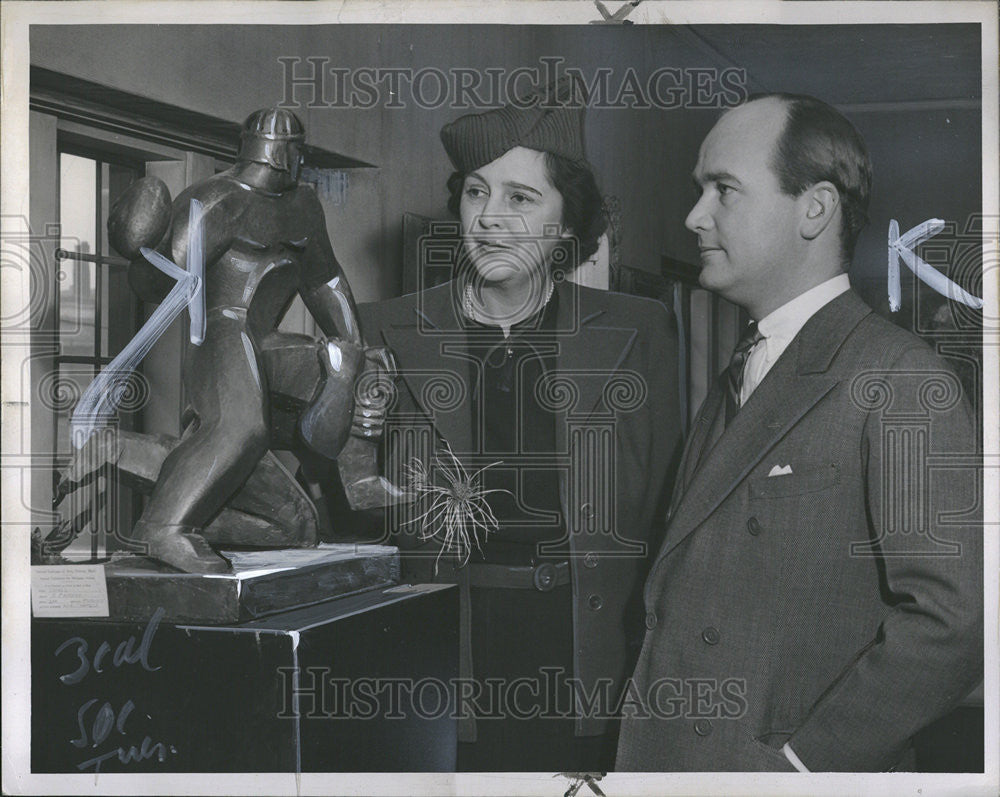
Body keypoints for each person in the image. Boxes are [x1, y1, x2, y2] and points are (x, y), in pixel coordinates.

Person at [615, 93, 983, 771]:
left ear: (814, 208)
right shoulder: (744, 367)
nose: (694, 217)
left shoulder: (899, 377)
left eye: (723, 189)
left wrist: (802, 765)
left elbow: (954, 623)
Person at [357, 76, 682, 770]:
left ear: (568, 223)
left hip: (589, 650)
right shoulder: (386, 329)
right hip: (439, 651)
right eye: (476, 191)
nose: (490, 216)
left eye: (521, 197)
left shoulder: (638, 330)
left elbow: (664, 510)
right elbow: (350, 501)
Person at [117, 107, 365, 573]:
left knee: (297, 527)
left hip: (264, 337)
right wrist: (141, 242)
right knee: (240, 427)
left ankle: (188, 510)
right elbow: (161, 281)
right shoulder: (215, 199)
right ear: (289, 156)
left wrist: (352, 346)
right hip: (220, 331)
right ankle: (163, 527)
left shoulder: (303, 205)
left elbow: (323, 279)